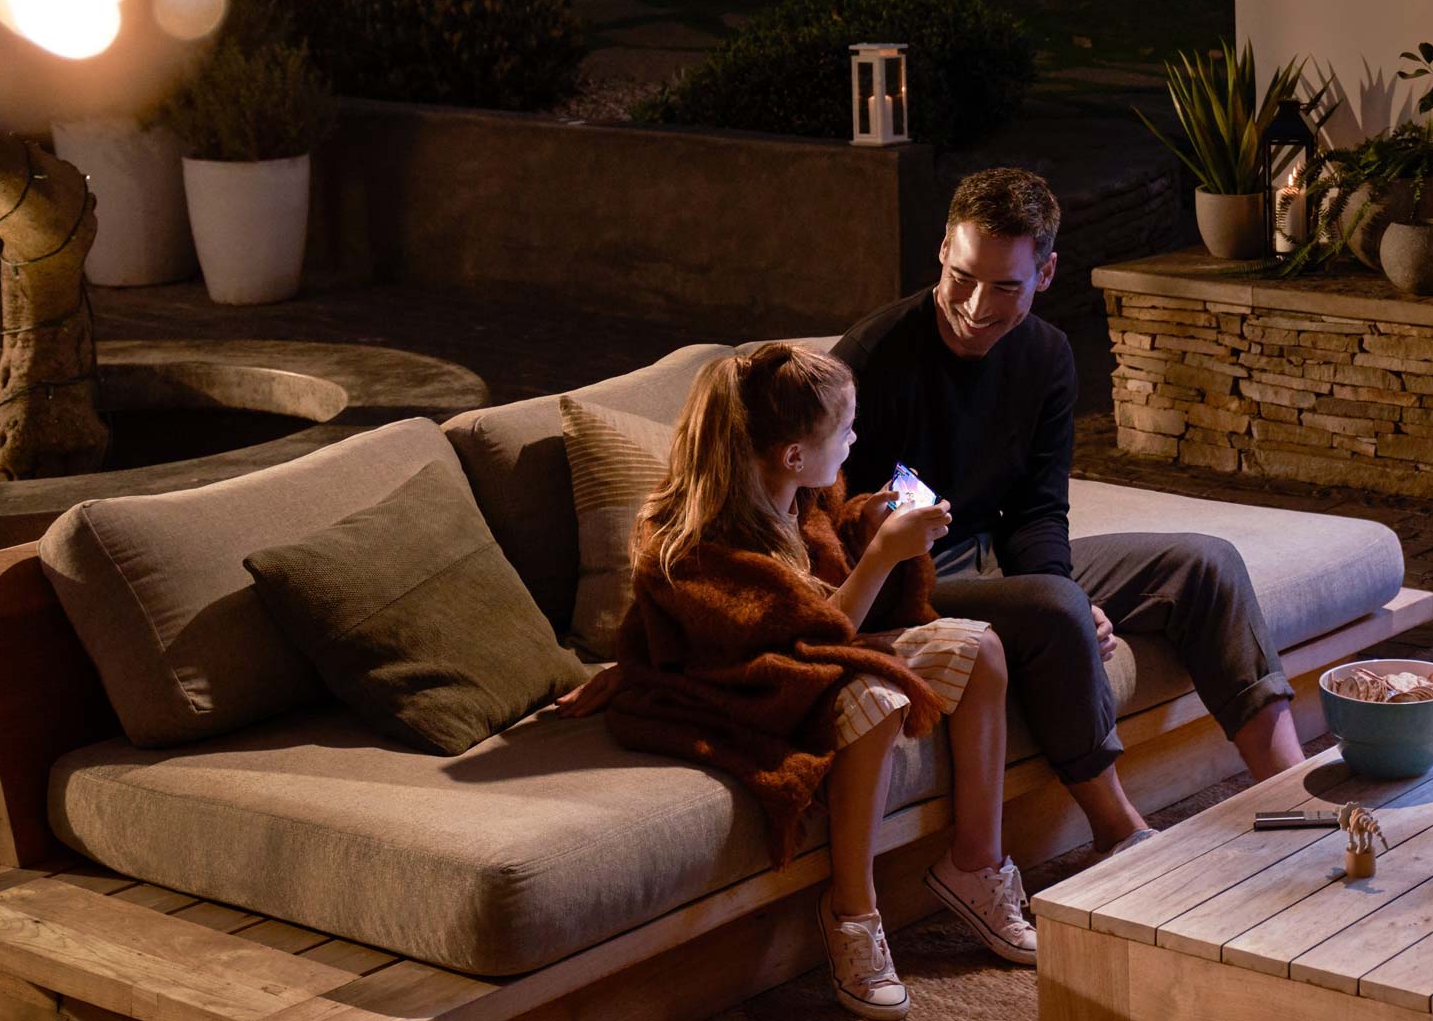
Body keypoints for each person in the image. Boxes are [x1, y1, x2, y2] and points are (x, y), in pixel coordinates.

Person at [832, 167, 1302, 861]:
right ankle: (1121, 834)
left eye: (1005, 286)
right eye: (962, 276)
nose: (973, 305)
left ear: (1046, 272)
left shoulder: (1047, 358)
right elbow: (841, 529)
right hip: (901, 584)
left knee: (1206, 564)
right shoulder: (873, 362)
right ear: (942, 250)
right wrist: (1062, 601)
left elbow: (1038, 508)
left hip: (995, 558)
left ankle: (1293, 798)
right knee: (1054, 606)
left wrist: (1070, 589)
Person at [558, 344, 1034, 1020]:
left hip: (813, 661)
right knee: (877, 700)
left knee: (982, 647)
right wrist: (883, 554)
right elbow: (802, 637)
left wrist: (866, 524)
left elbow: (822, 589)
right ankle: (851, 916)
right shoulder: (690, 546)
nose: (854, 441)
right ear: (791, 454)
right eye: (845, 432)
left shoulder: (802, 499)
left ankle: (974, 865)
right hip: (743, 689)